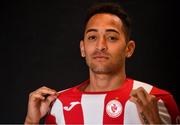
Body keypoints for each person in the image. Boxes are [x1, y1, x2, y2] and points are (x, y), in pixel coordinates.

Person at [24, 2, 180, 124]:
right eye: (92, 37)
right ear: (83, 48)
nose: (100, 46)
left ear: (129, 49)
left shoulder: (157, 99)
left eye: (112, 37)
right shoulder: (58, 103)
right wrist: (31, 122)